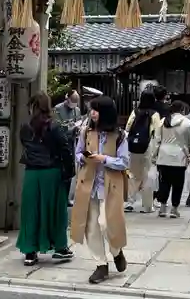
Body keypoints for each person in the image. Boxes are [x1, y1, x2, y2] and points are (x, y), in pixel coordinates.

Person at [71, 96, 129, 284]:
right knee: (91, 227)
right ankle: (100, 265)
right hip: (88, 185)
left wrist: (104, 159)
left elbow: (124, 162)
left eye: (96, 110)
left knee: (107, 223)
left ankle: (116, 251)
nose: (92, 113)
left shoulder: (120, 135)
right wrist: (83, 158)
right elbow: (78, 152)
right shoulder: (85, 131)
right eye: (91, 110)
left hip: (110, 186)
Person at [17, 91, 75, 266]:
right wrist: (69, 172)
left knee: (31, 212)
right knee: (55, 212)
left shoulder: (25, 127)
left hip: (32, 174)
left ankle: (30, 252)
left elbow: (25, 146)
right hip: (52, 172)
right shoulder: (54, 126)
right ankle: (60, 248)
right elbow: (65, 149)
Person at [153, 101, 190, 218]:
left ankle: (163, 207)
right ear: (183, 110)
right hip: (179, 157)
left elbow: (156, 140)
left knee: (164, 182)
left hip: (163, 157)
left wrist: (154, 156)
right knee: (178, 184)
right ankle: (174, 209)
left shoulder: (163, 121)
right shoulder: (187, 123)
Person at [124, 88, 161, 213]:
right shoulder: (154, 114)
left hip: (133, 147)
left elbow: (127, 128)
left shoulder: (135, 112)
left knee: (133, 175)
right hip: (148, 146)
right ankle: (147, 206)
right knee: (147, 176)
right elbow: (157, 134)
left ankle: (130, 202)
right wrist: (156, 152)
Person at [54, 89, 81, 206]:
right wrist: (68, 127)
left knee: (70, 170)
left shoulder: (77, 110)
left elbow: (78, 122)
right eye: (72, 101)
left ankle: (66, 198)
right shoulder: (58, 109)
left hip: (71, 142)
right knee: (60, 170)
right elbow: (56, 127)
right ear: (67, 98)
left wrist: (78, 128)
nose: (73, 105)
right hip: (60, 143)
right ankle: (58, 197)